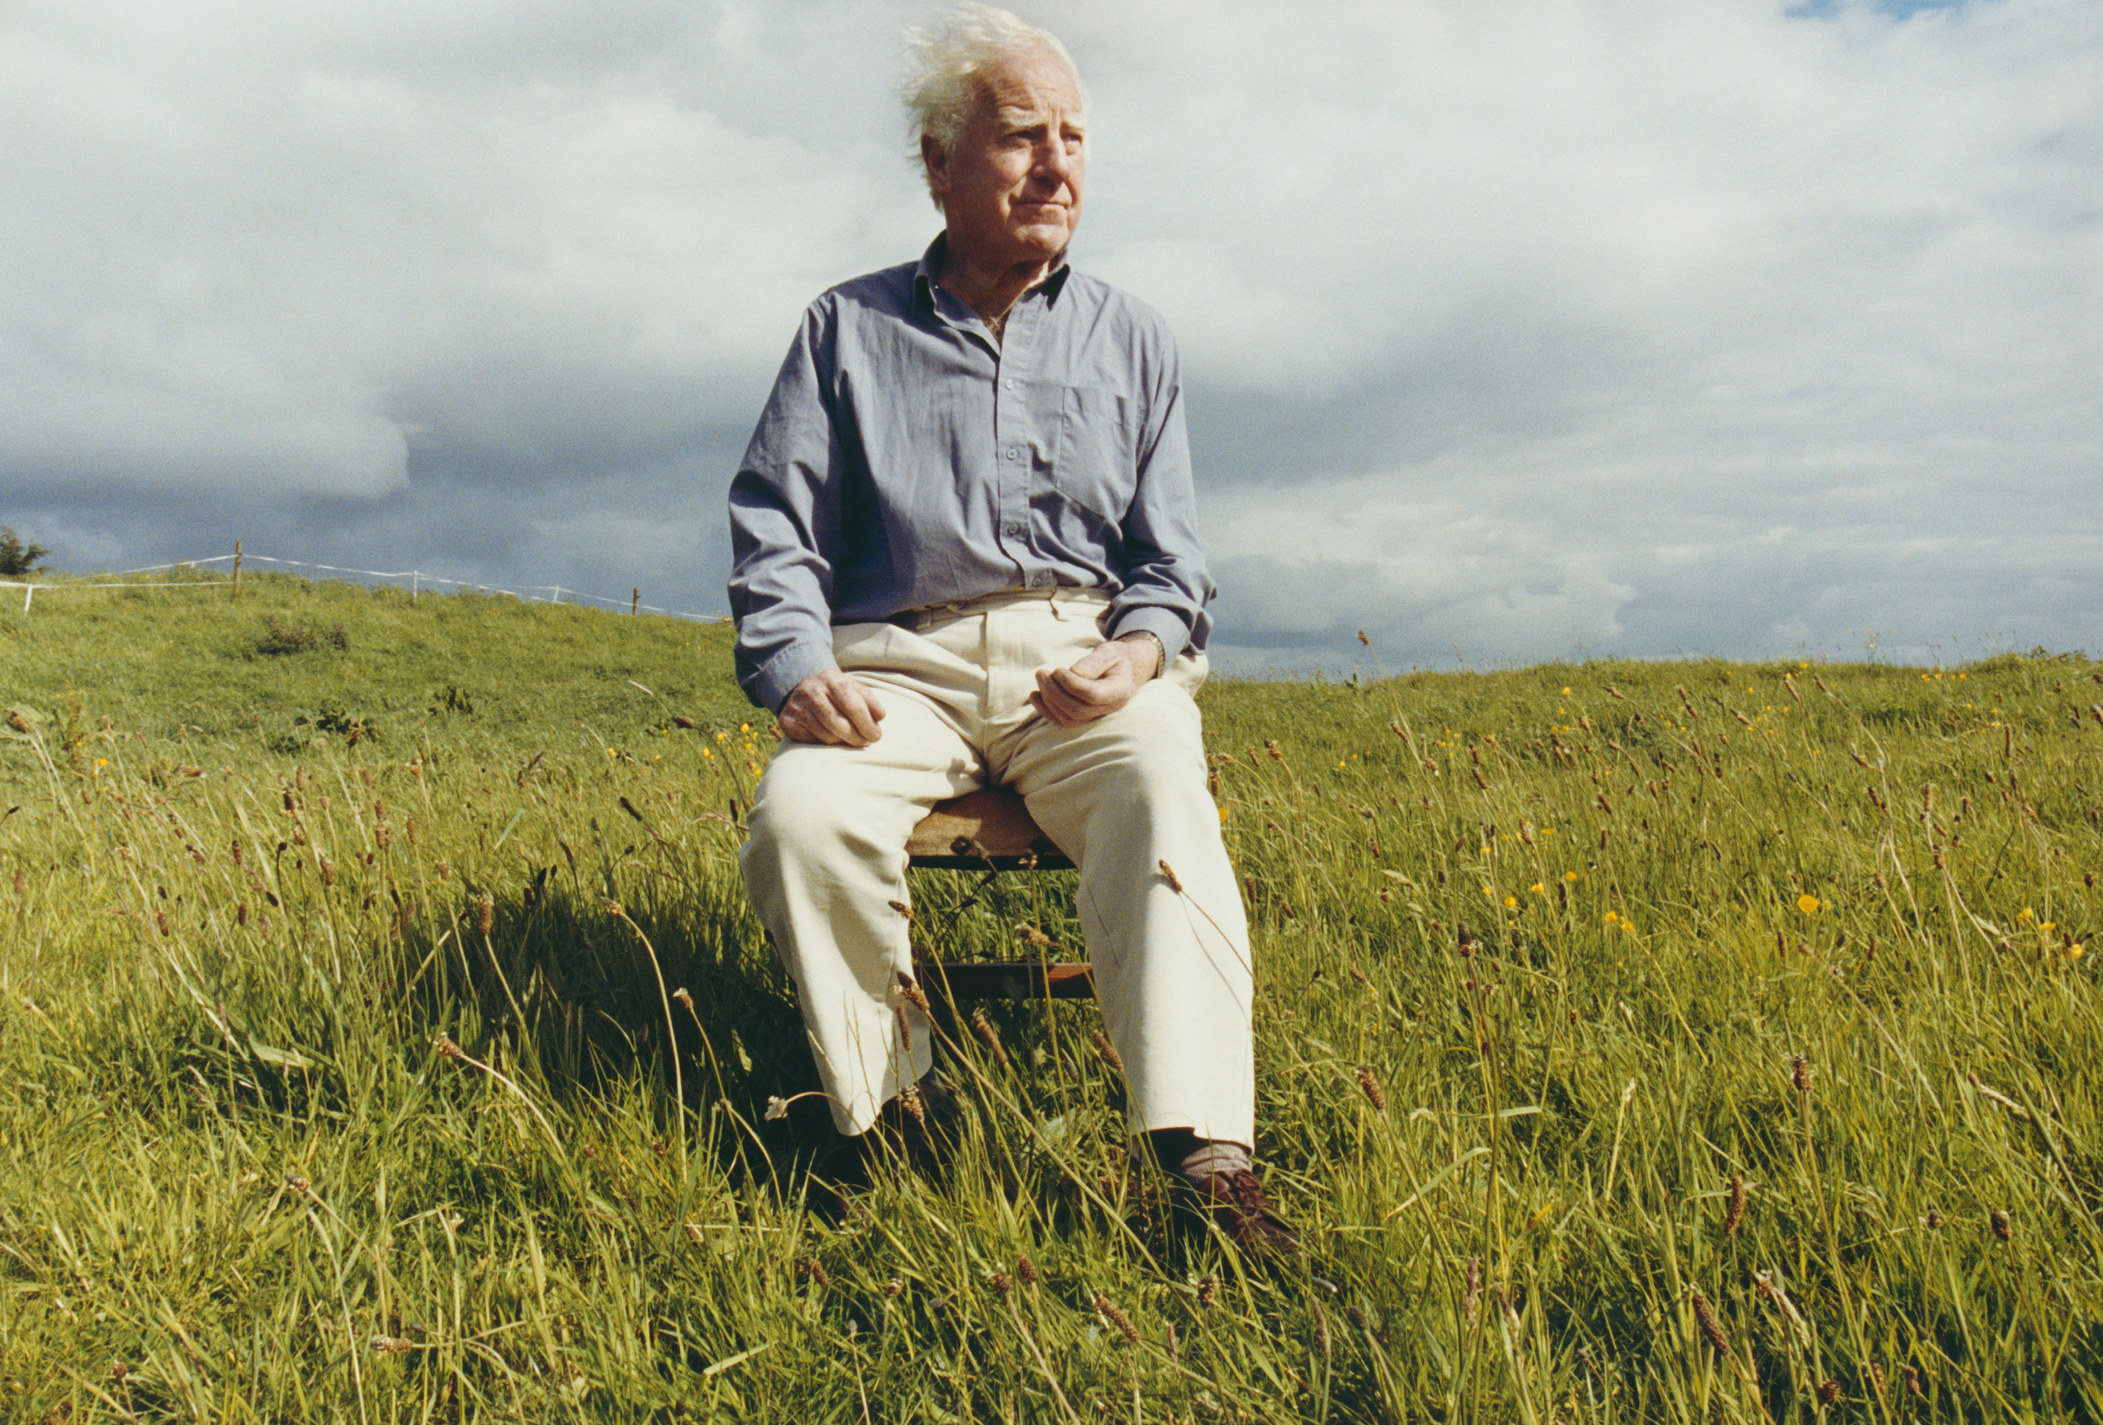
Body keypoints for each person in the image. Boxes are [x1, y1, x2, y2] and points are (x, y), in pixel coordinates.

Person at [727, 3, 1296, 1256]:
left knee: (1158, 774)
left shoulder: (1132, 336)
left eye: (1077, 138)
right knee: (800, 817)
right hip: (899, 668)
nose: (1058, 166)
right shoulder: (845, 329)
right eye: (1024, 137)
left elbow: (1173, 560)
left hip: (1074, 664)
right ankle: (896, 1109)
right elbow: (775, 528)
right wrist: (794, 668)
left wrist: (1139, 650)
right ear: (939, 163)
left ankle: (1203, 1157)